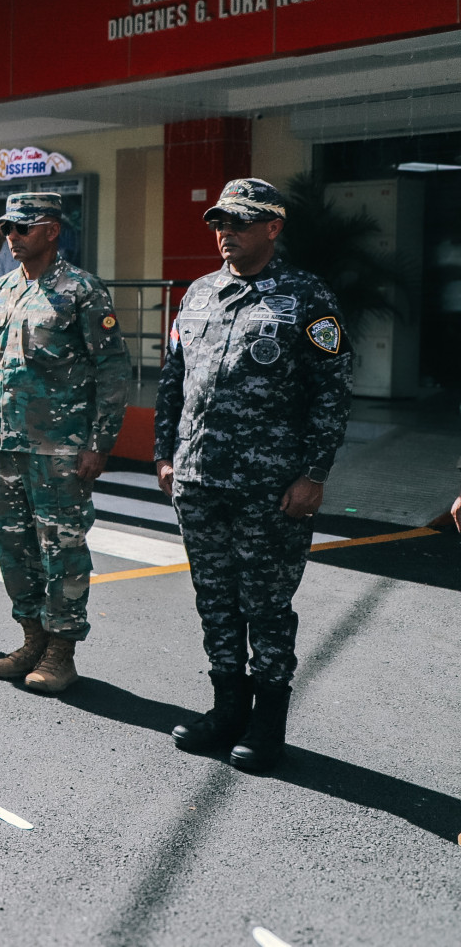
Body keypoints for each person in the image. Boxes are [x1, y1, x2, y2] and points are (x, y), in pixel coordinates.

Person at [156, 177, 351, 772]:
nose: (226, 233)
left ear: (273, 227)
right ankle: (227, 708)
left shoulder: (306, 296)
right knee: (215, 600)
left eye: (239, 223)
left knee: (266, 605)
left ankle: (268, 724)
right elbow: (173, 378)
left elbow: (332, 391)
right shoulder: (199, 294)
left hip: (270, 487)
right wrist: (164, 456)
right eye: (220, 222)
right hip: (198, 478)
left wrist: (313, 473)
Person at [0, 192, 132, 694]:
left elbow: (112, 369)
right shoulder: (2, 290)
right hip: (5, 446)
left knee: (61, 550)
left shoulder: (82, 290)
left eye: (23, 227)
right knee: (12, 547)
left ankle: (61, 652)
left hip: (59, 448)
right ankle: (32, 639)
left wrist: (99, 442)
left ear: (52, 230)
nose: (12, 237)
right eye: (7, 229)